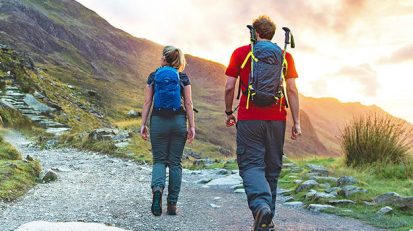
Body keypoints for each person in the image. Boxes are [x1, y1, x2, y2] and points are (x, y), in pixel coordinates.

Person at [224, 15, 301, 230]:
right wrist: (297, 122)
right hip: (277, 120)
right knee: (272, 169)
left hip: (249, 119)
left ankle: (260, 207)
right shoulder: (285, 56)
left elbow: (230, 86)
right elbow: (292, 90)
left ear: (255, 32)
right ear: (272, 34)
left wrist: (229, 111)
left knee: (251, 165)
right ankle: (266, 221)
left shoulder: (241, 53)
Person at [140, 45, 196, 216]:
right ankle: (172, 204)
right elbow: (188, 103)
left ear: (163, 58)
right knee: (175, 162)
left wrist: (143, 124)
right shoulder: (183, 77)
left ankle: (157, 191)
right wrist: (192, 126)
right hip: (178, 121)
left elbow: (147, 102)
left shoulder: (154, 76)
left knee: (159, 161)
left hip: (158, 121)